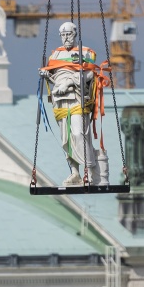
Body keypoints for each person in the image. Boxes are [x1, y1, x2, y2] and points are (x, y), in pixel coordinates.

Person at [39, 22, 109, 186]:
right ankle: (75, 173)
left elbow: (90, 74)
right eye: (63, 35)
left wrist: (69, 82)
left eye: (69, 34)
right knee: (67, 138)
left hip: (77, 98)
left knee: (78, 133)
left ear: (75, 34)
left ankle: (90, 171)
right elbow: (56, 77)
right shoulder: (55, 55)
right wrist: (47, 76)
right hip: (60, 100)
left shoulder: (85, 52)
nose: (66, 38)